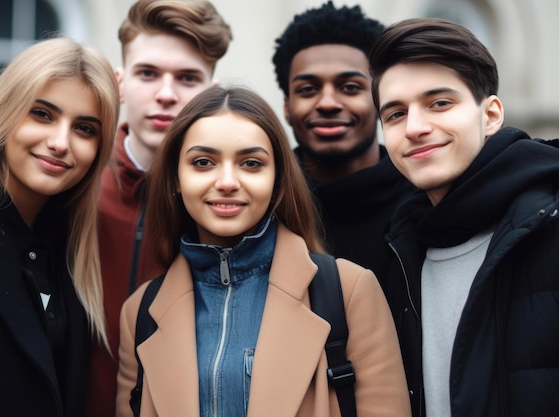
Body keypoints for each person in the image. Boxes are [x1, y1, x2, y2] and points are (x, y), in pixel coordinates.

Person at [115, 86, 411, 417]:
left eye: (251, 163)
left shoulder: (349, 291)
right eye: (203, 162)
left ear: (277, 179)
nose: (227, 181)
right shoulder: (140, 313)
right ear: (175, 178)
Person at [369, 17, 559, 417]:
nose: (416, 127)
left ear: (490, 115)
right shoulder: (399, 254)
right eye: (396, 114)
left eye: (439, 103)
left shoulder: (549, 223)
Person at [0, 37, 119, 416]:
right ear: (6, 113)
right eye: (42, 114)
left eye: (84, 128)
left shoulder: (68, 252)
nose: (60, 142)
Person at [88, 1, 233, 415]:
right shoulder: (72, 187)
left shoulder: (231, 206)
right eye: (148, 73)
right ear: (119, 82)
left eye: (187, 78)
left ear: (211, 91)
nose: (166, 95)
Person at [271, 1, 415, 284]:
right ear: (287, 106)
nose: (327, 103)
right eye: (308, 89)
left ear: (380, 100)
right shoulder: (263, 204)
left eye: (350, 87)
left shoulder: (426, 200)